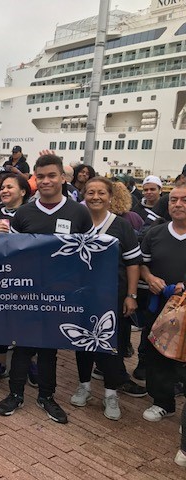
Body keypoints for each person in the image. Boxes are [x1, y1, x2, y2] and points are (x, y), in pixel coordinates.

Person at [0, 153, 94, 424]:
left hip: (62, 292)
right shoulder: (24, 213)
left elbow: (88, 253)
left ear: (63, 177)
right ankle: (15, 394)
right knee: (23, 345)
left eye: (52, 175)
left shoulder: (79, 212)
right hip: (28, 291)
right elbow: (11, 255)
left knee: (50, 347)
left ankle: (47, 396)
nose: (47, 180)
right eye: (41, 177)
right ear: (35, 180)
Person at [69, 177, 145, 421]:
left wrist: (131, 295)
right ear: (83, 196)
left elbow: (134, 263)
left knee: (112, 347)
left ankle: (111, 394)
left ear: (111, 196)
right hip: (82, 296)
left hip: (114, 296)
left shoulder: (121, 226)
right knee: (83, 345)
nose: (95, 197)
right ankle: (84, 386)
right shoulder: (76, 223)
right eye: (90, 192)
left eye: (101, 192)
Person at [139, 180, 186, 423]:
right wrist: (150, 277)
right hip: (160, 307)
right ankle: (162, 402)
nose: (178, 205)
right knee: (157, 354)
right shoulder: (154, 233)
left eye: (184, 200)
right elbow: (142, 264)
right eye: (174, 200)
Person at [0, 173, 35, 384]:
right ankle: (0, 363)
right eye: (2, 187)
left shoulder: (33, 214)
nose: (4, 190)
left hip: (25, 278)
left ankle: (29, 362)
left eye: (10, 187)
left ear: (23, 191)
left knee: (25, 322)